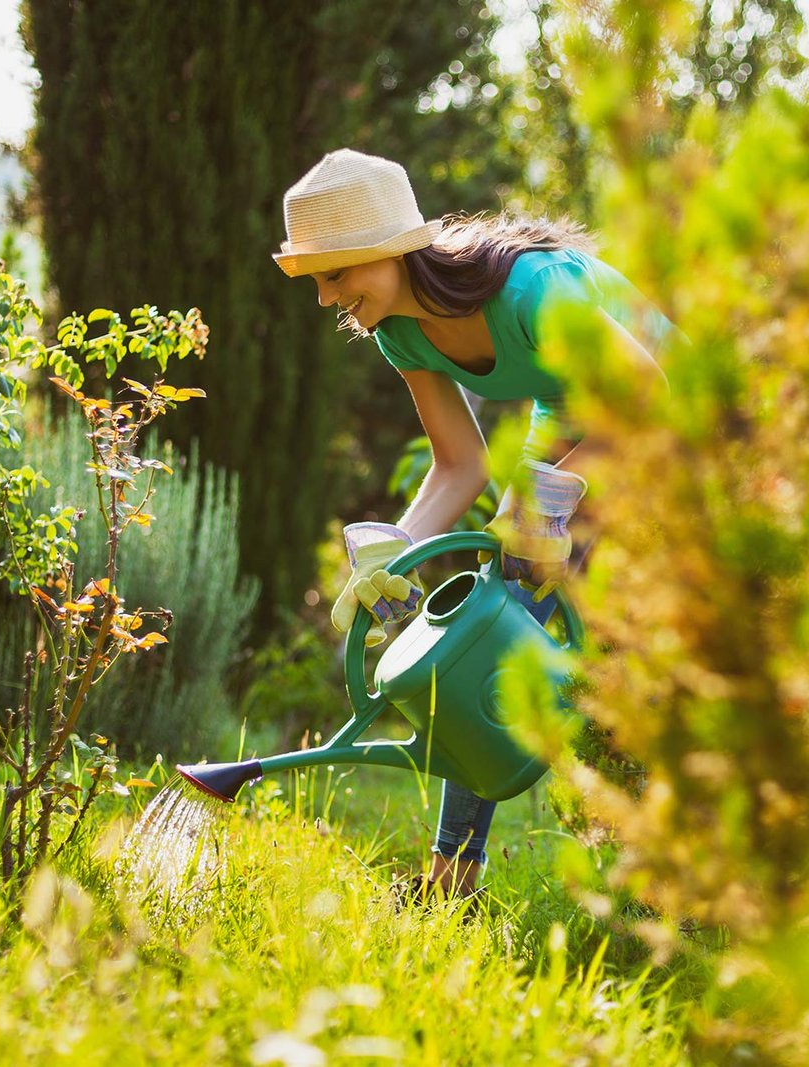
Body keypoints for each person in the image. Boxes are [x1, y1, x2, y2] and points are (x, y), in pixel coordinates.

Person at [274, 148, 672, 905]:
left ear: (385, 252)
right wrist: (392, 549)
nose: (326, 299)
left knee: (621, 632)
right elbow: (461, 466)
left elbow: (647, 393)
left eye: (334, 276)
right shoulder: (401, 332)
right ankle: (453, 879)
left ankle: (666, 872)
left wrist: (552, 496)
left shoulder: (527, 288)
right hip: (575, 422)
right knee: (481, 631)